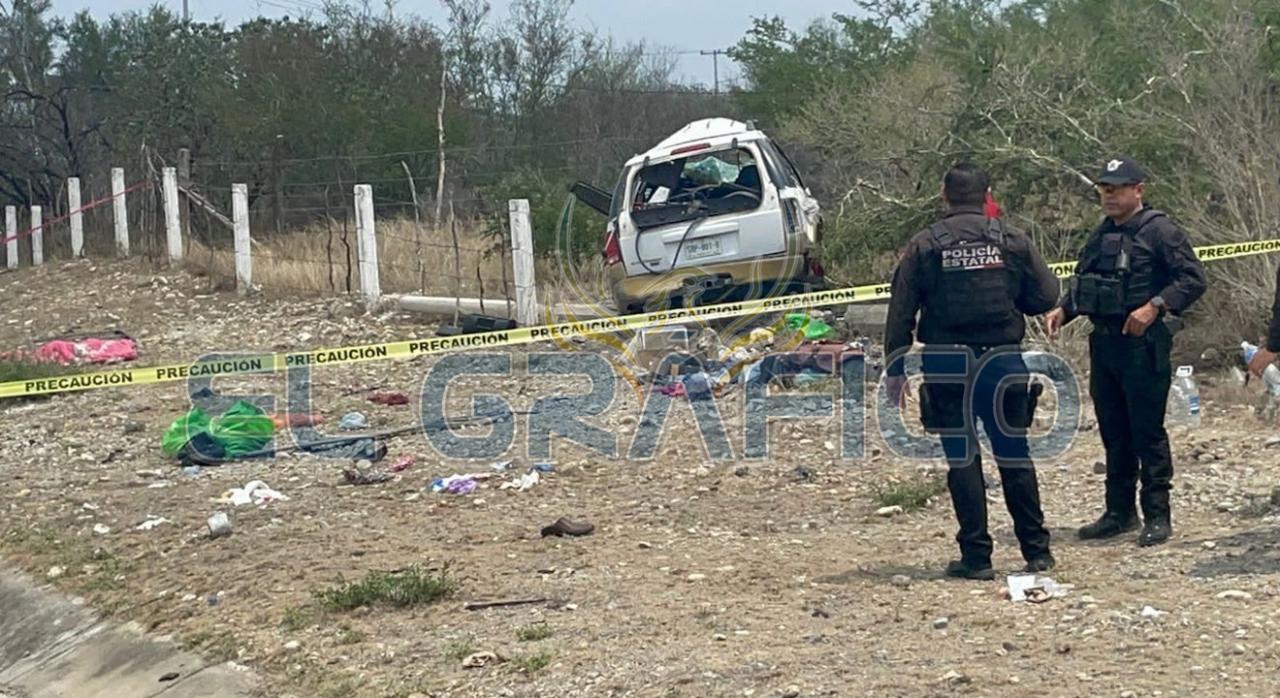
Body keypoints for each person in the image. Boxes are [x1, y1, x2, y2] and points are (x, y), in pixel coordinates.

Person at [884, 163, 1061, 580]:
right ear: (988, 195)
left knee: (963, 460)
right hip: (1002, 359)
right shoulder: (1011, 240)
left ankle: (977, 557)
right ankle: (1037, 552)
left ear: (944, 196)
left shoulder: (925, 245)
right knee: (1014, 455)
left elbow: (901, 310)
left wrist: (896, 366)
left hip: (947, 362)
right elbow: (1046, 296)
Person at [1045, 156, 1207, 547]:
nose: (1110, 196)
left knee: (1146, 431)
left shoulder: (1160, 231)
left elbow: (1193, 279)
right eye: (1105, 189)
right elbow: (1087, 281)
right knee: (1114, 431)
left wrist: (1155, 306)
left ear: (1138, 189)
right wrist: (1065, 309)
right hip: (1104, 343)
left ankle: (1157, 514)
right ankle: (1119, 512)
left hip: (1142, 345)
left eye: (1117, 189)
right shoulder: (1101, 233)